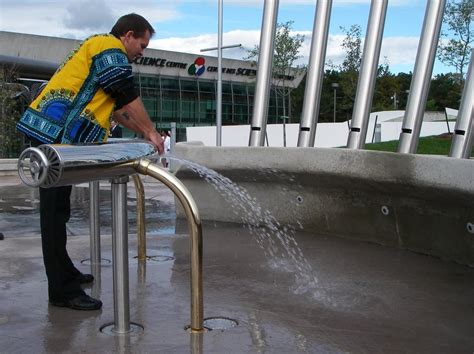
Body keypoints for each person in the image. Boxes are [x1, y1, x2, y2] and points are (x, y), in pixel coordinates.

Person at [16, 13, 164, 311]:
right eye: (142, 44)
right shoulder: (109, 48)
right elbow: (128, 95)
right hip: (53, 138)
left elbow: (121, 110)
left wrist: (146, 133)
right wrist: (150, 131)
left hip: (59, 140)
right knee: (53, 215)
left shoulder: (100, 50)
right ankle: (61, 290)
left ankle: (65, 272)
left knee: (60, 210)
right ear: (128, 35)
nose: (142, 52)